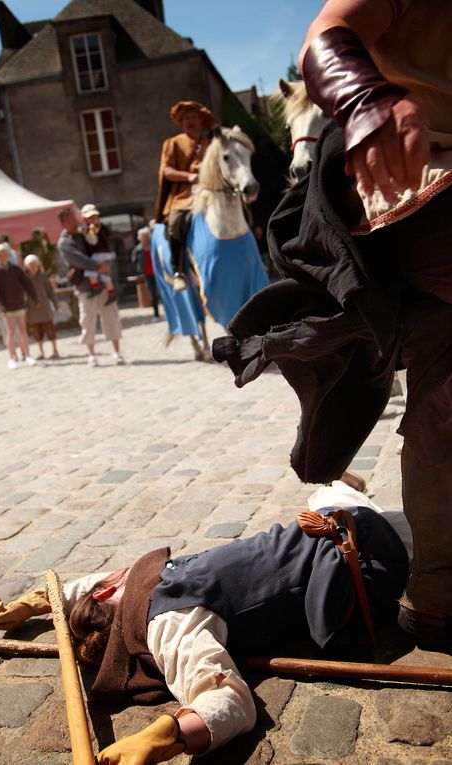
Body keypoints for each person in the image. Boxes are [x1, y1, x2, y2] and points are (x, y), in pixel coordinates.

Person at [214, 0, 452, 646]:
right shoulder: (190, 145)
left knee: (442, 387)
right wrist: (367, 100)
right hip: (416, 174)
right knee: (190, 214)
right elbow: (328, 32)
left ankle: (437, 594)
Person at [0, 479, 409, 762]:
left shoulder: (137, 584)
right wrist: (162, 737)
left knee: (331, 496)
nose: (113, 574)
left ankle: (345, 488)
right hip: (361, 558)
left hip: (329, 526)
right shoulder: (167, 624)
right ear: (109, 600)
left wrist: (34, 601)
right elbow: (229, 702)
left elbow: (78, 588)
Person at [154, 101, 214, 292]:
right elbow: (166, 171)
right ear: (181, 123)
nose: (190, 121)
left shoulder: (211, 143)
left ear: (201, 120)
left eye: (193, 117)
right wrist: (188, 176)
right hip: (184, 196)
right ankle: (178, 270)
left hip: (211, 192)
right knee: (175, 223)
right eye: (186, 118)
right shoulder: (173, 143)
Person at [57, 206, 124, 367]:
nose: (75, 222)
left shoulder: (85, 233)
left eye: (75, 218)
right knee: (88, 320)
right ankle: (91, 354)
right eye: (71, 220)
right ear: (63, 223)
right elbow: (78, 259)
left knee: (111, 317)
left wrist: (106, 262)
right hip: (85, 285)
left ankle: (116, 351)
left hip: (103, 282)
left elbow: (100, 243)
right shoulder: (64, 242)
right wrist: (97, 266)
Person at [0, 244, 38, 369]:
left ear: (8, 255)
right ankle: (12, 357)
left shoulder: (16, 269)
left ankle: (27, 355)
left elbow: (27, 284)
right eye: (0, 255)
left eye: (4, 255)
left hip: (19, 304)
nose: (3, 257)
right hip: (7, 307)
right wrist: (1, 308)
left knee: (23, 330)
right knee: (11, 331)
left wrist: (35, 298)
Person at [24, 254, 60, 360]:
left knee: (50, 330)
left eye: (35, 265)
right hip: (32, 309)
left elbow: (50, 292)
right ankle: (41, 351)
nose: (33, 267)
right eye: (30, 265)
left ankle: (55, 350)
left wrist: (55, 304)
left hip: (45, 308)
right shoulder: (25, 279)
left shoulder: (43, 277)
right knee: (36, 331)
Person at [80, 203, 118, 305]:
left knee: (90, 269)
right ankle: (111, 292)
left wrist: (89, 232)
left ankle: (95, 287)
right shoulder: (101, 227)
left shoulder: (93, 228)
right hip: (105, 253)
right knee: (105, 275)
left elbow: (93, 241)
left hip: (98, 253)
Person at [131, 226, 160, 319]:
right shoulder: (138, 249)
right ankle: (156, 313)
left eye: (146, 236)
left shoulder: (154, 246)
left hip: (158, 272)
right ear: (140, 238)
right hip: (147, 274)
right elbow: (133, 260)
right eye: (143, 236)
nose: (145, 238)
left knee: (163, 292)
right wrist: (139, 270)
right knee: (153, 294)